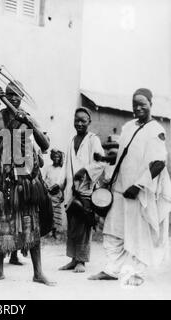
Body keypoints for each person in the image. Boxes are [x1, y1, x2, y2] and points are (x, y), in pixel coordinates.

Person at [0, 81, 55, 285]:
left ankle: (38, 273)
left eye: (17, 95)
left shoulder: (27, 118)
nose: (13, 97)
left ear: (22, 97)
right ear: (4, 95)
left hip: (26, 177)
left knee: (30, 222)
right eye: (9, 94)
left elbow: (45, 145)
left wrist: (30, 123)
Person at [89, 88, 171, 286]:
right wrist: (105, 159)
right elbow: (122, 155)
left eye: (143, 103)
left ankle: (136, 272)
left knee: (139, 233)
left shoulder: (156, 131)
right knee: (113, 230)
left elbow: (159, 163)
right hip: (120, 188)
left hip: (139, 192)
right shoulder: (128, 127)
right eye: (135, 104)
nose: (138, 107)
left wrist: (138, 185)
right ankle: (112, 269)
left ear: (151, 104)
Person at [59, 107, 105, 273]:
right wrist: (60, 184)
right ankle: (73, 258)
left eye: (83, 121)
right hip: (72, 190)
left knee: (84, 224)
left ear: (89, 122)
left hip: (86, 189)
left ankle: (82, 261)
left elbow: (101, 162)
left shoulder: (93, 140)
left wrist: (85, 170)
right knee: (72, 224)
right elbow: (66, 166)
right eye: (76, 120)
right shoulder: (72, 141)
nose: (79, 123)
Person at [41, 149, 65, 238]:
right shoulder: (48, 168)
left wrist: (63, 193)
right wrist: (46, 188)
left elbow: (62, 182)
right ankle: (49, 231)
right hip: (49, 194)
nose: (56, 158)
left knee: (57, 214)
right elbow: (43, 179)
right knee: (49, 213)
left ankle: (56, 232)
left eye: (58, 157)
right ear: (52, 157)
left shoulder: (62, 169)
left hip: (57, 193)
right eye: (54, 156)